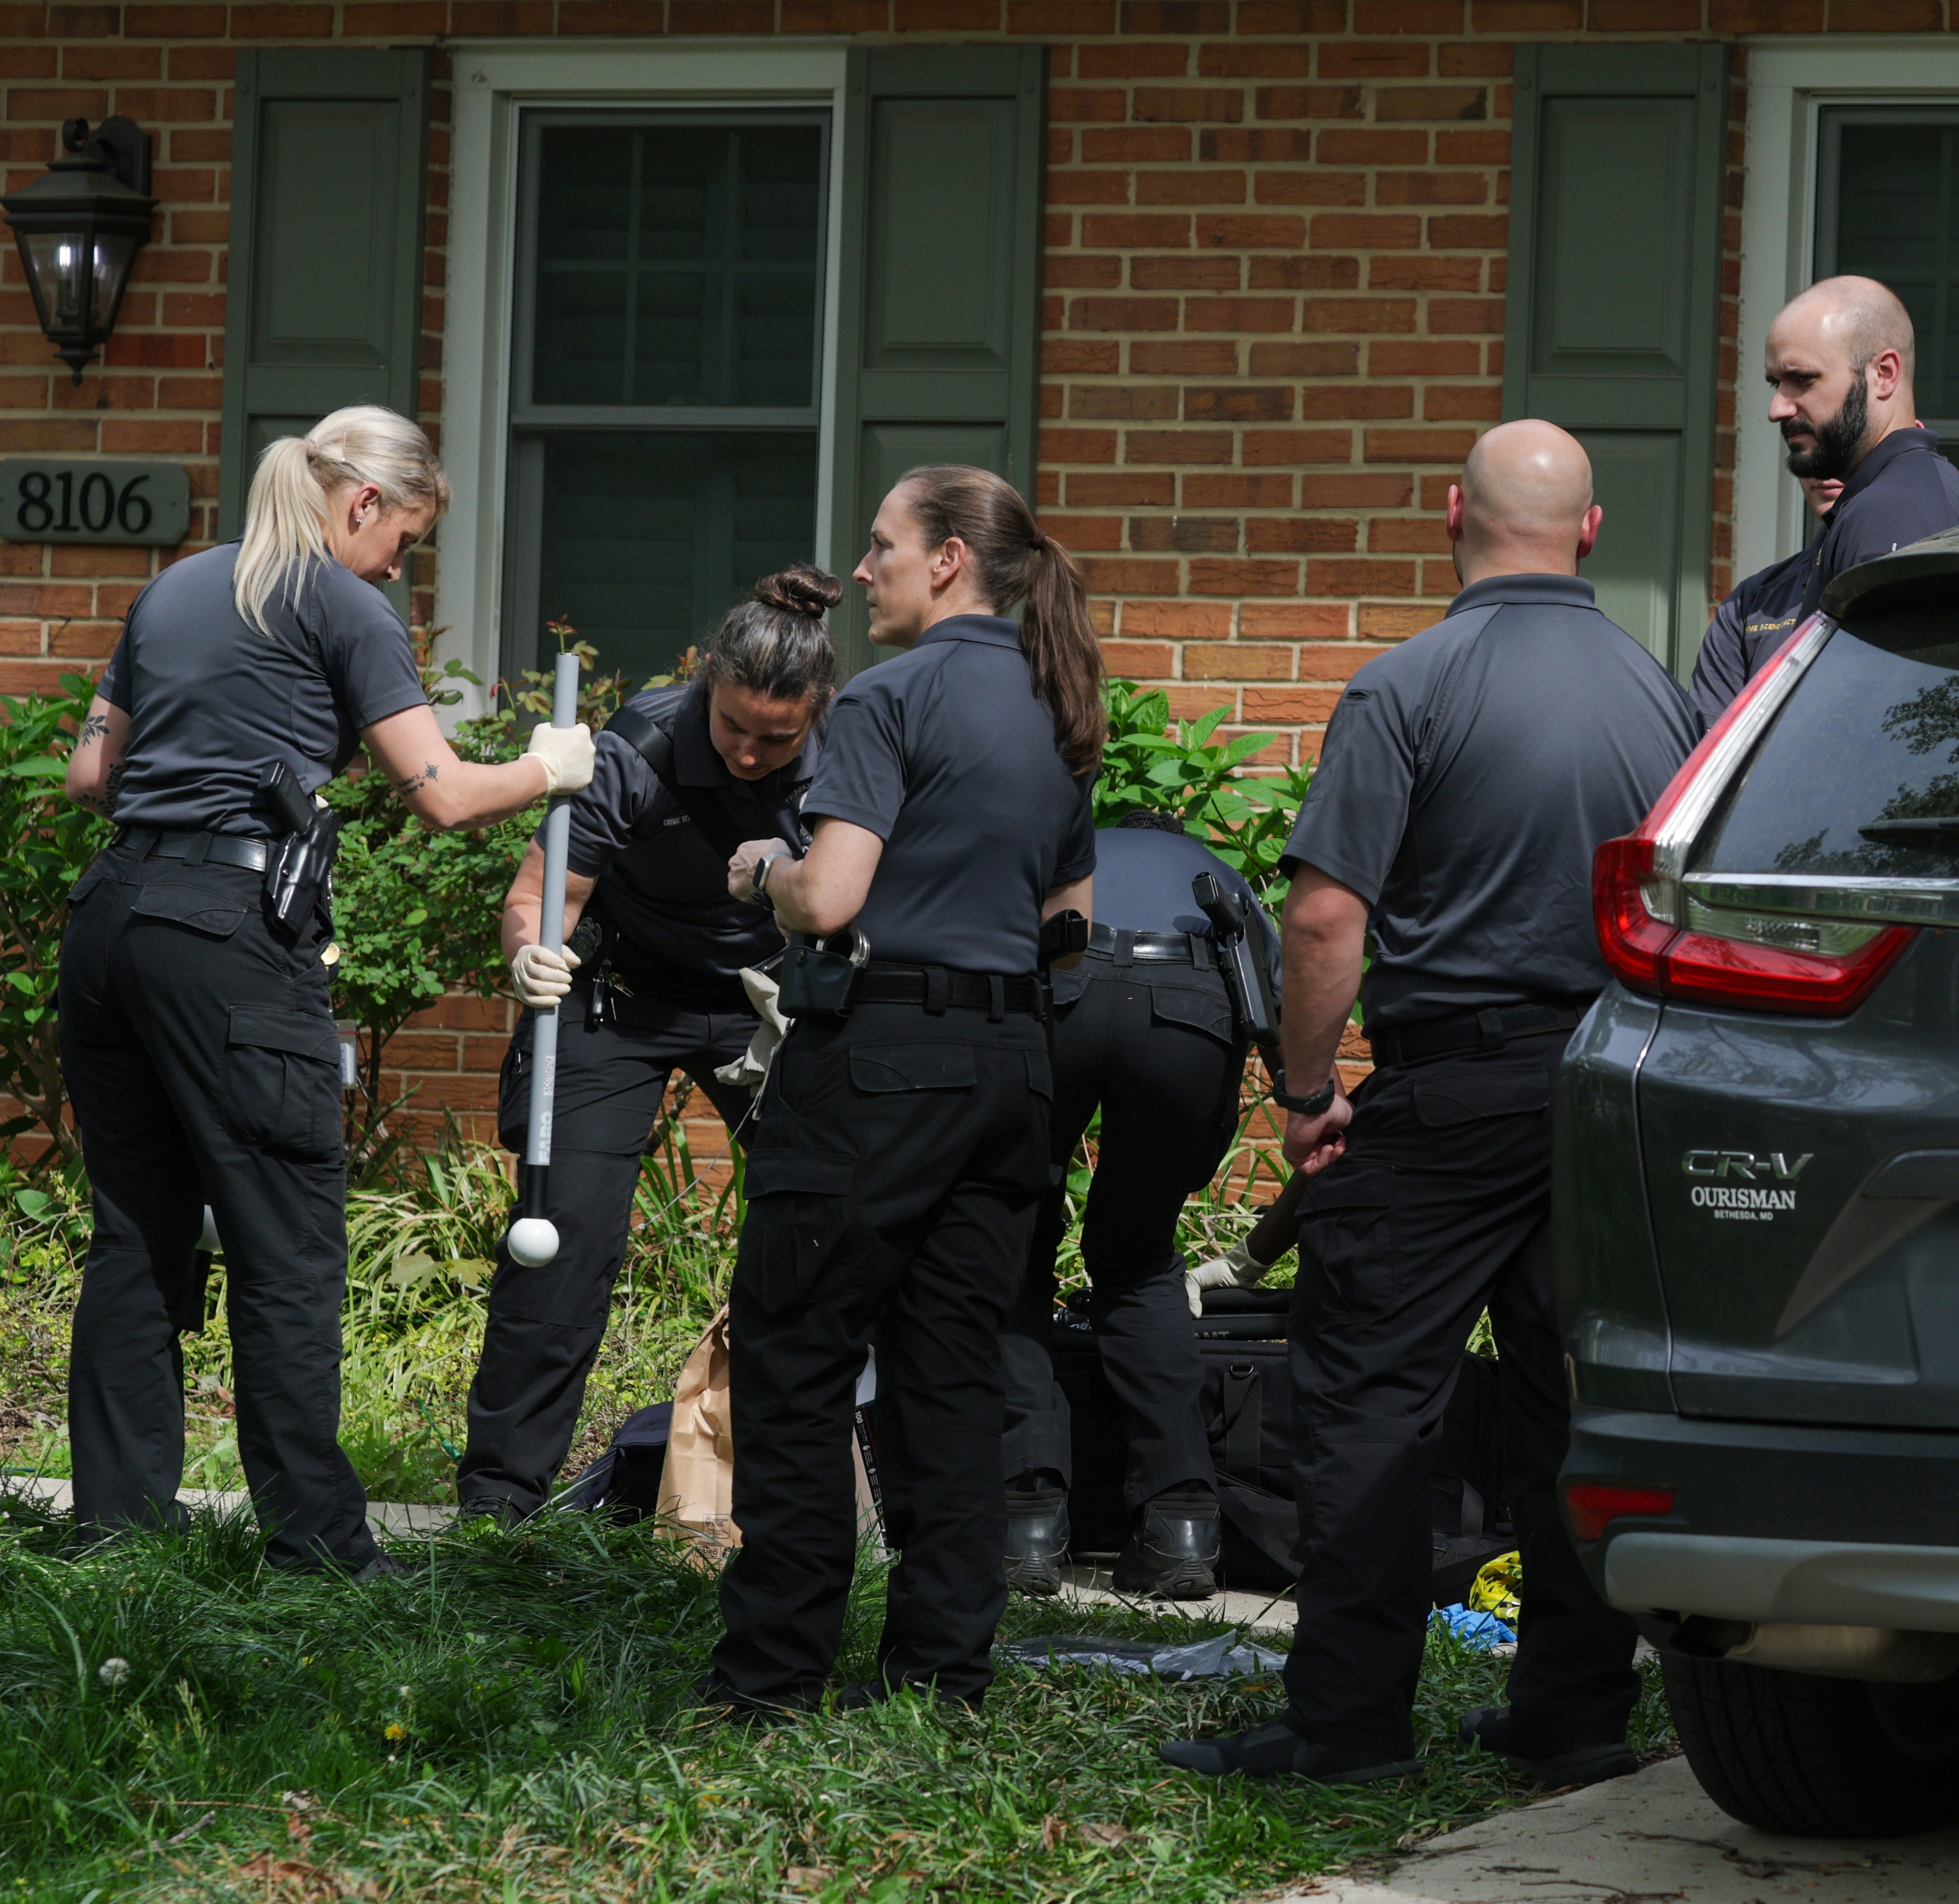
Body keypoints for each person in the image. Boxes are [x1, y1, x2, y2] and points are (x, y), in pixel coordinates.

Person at [1161, 419, 1699, 1786]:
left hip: (1448, 1094)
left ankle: (1348, 1728)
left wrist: (1298, 1088)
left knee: (1364, 1398)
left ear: (1448, 513)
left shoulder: (1409, 686)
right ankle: (1573, 1714)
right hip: (1605, 1088)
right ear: (1589, 533)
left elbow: (1328, 914)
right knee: (1569, 1407)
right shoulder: (1663, 703)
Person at [58, 404, 595, 1574]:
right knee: (287, 1245)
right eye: (402, 539)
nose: (398, 566)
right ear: (361, 504)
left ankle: (113, 1543)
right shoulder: (345, 603)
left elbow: (91, 772)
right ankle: (318, 1550)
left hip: (109, 924)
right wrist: (549, 767)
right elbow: (444, 793)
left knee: (136, 1233)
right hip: (230, 944)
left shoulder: (176, 588)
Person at [699, 464, 1099, 1718]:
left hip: (878, 1066)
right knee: (953, 1375)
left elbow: (829, 897)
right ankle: (939, 1679)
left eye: (881, 546)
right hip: (1009, 1072)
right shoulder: (1059, 706)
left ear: (946, 561)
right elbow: (1069, 923)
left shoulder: (889, 696)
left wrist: (764, 864)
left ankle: (770, 1679)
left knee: (797, 1354)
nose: (860, 569)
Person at [455, 565, 846, 1524]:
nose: (750, 756)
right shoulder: (637, 743)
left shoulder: (850, 757)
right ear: (706, 687)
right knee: (565, 1238)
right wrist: (529, 956)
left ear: (817, 712)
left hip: (765, 998)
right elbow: (534, 900)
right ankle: (499, 1500)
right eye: (733, 730)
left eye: (776, 738)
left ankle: (811, 1490)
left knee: (827, 1224)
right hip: (622, 993)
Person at [998, 807, 1281, 1602]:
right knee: (1137, 1257)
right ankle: (1179, 1526)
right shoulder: (1211, 870)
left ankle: (1025, 1525)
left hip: (1065, 993)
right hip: (1185, 1011)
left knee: (1013, 1249)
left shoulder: (1071, 848)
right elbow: (1274, 1007)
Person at [1763, 275, 1959, 623]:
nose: (1777, 409)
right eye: (1776, 384)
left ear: (1884, 374)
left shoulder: (1897, 511)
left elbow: (1903, 678)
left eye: (1802, 379)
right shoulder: (1891, 498)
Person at [1686, 473, 1840, 727]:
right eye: (1805, 447)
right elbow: (1711, 745)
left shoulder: (1922, 577)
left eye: (1846, 440)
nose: (1825, 465)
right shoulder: (1749, 602)